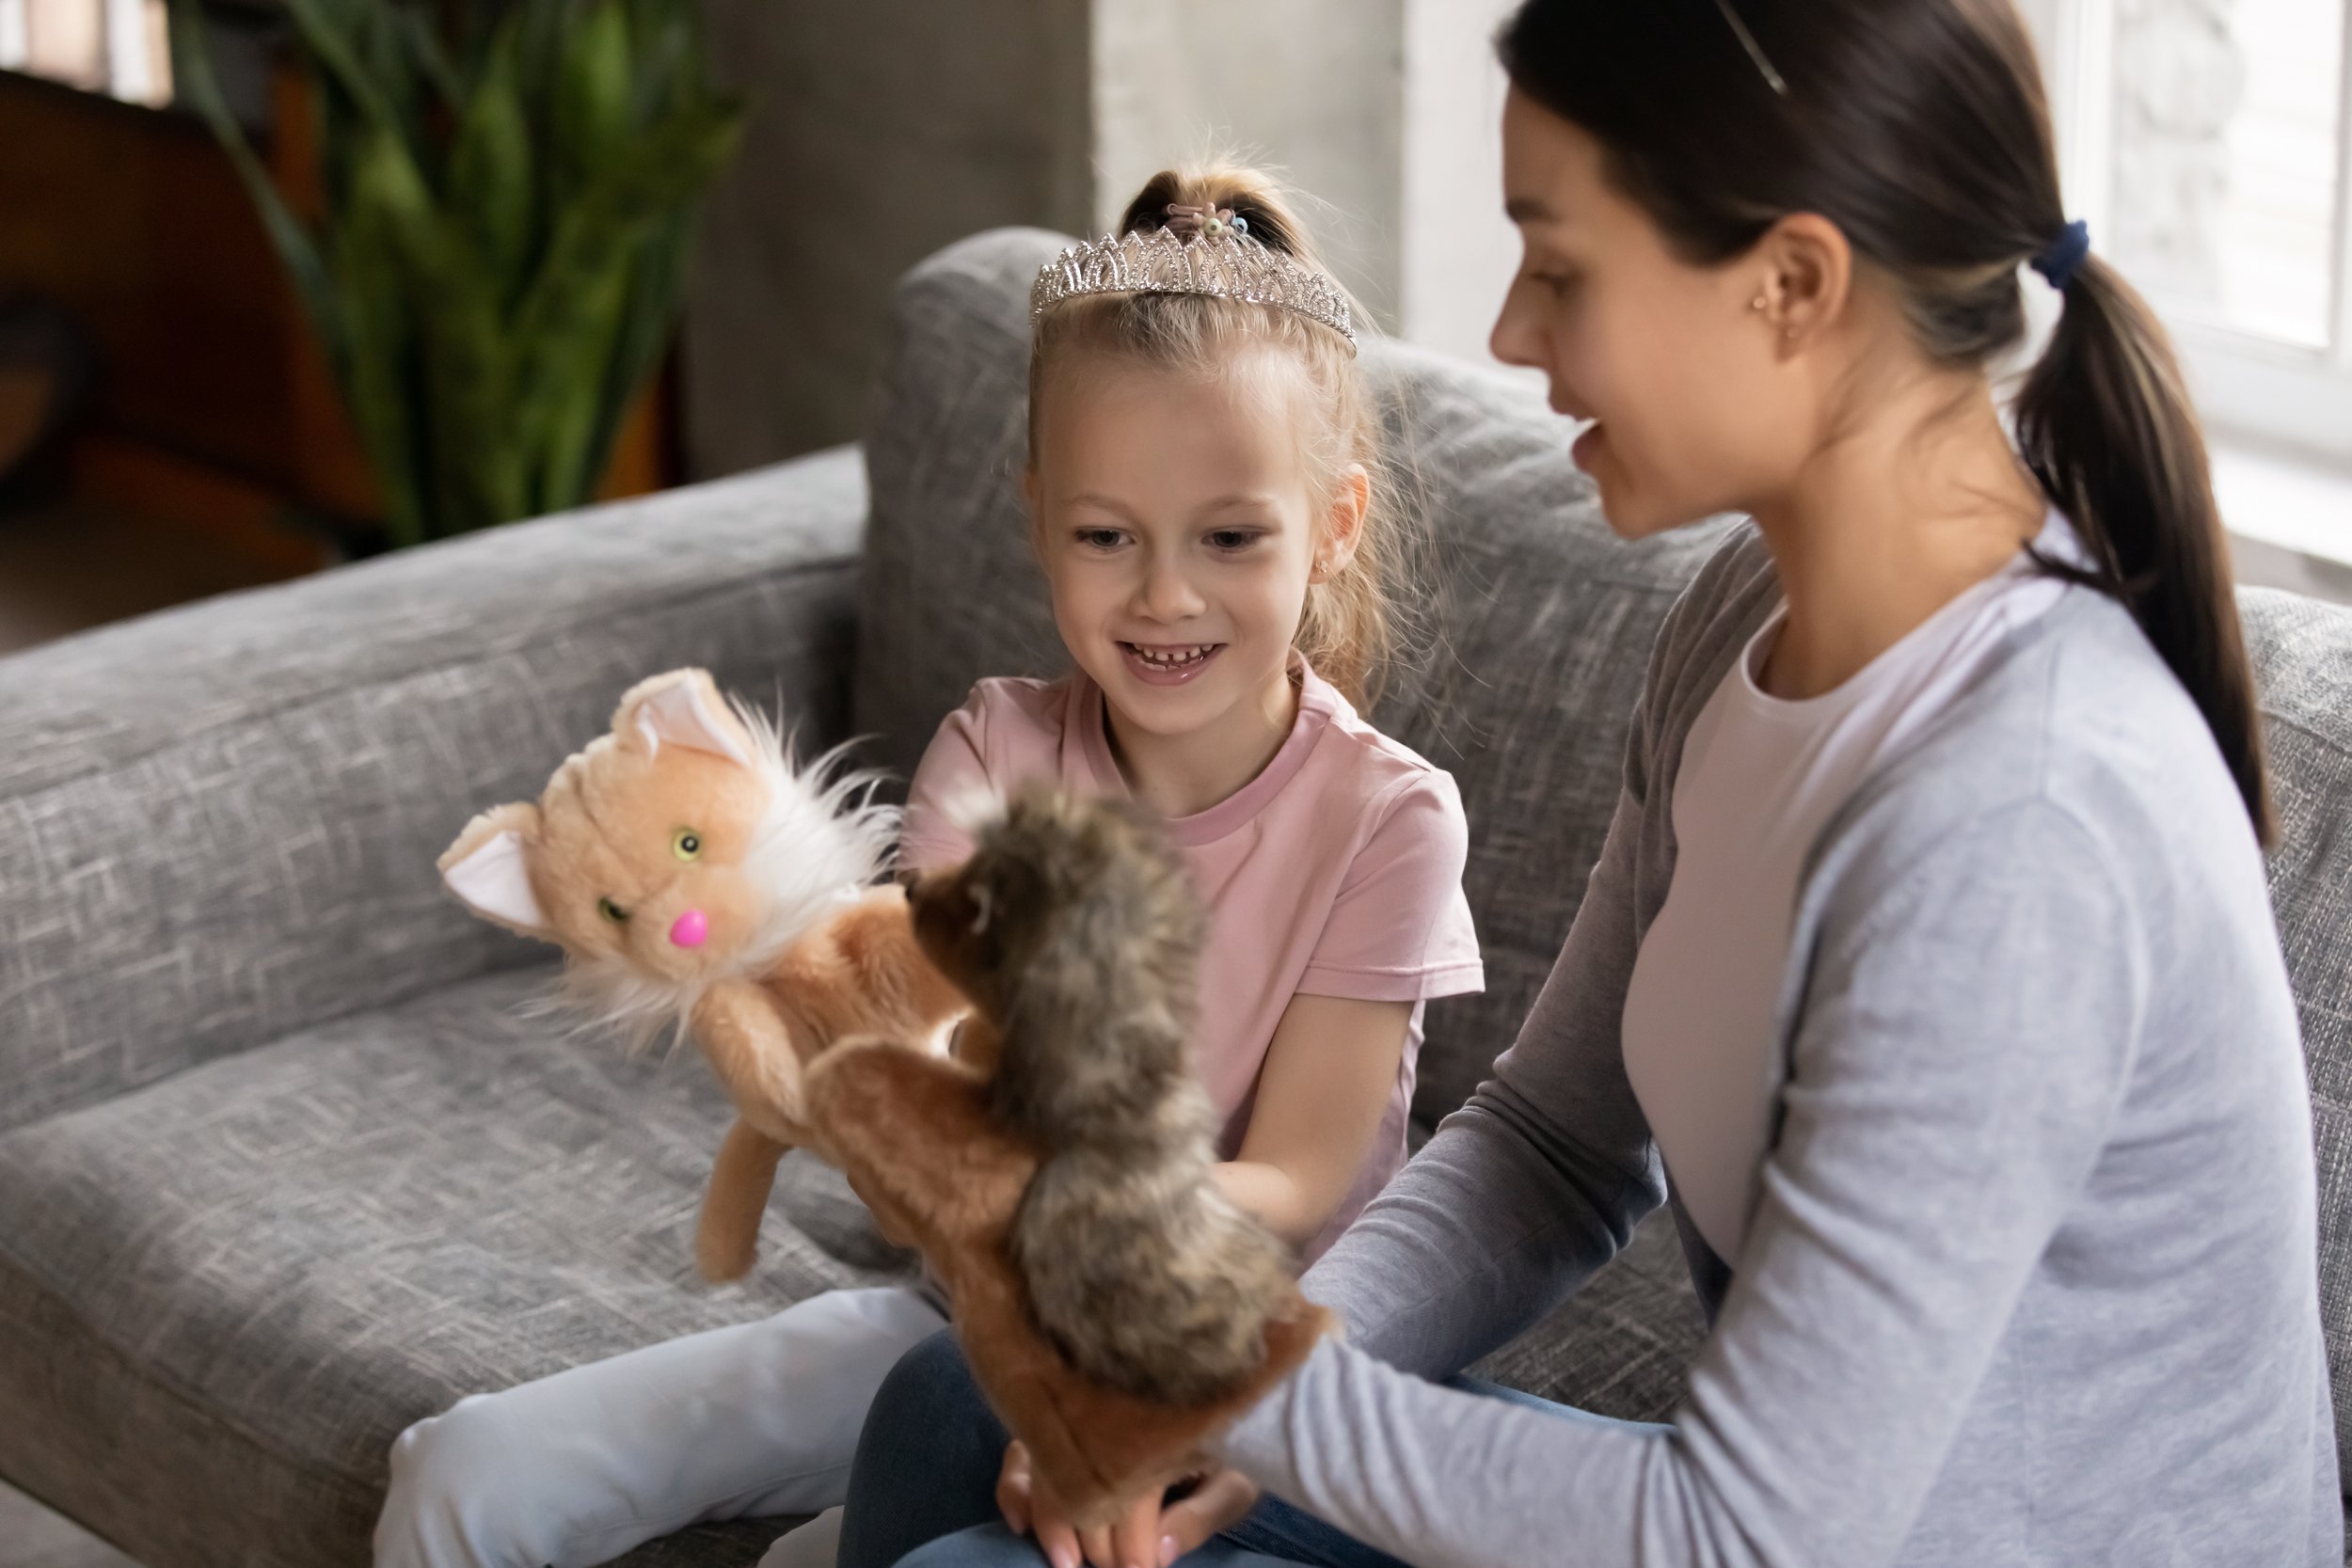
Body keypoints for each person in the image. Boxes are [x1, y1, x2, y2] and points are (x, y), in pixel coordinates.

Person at [834, 4, 2340, 1566]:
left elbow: (1742, 1534)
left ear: (1792, 284)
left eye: (1558, 264)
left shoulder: (2021, 820)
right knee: (958, 1406)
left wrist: (1244, 1394)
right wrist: (1240, 1383)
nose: (1506, 333)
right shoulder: (1747, 619)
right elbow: (1556, 1145)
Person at [370, 165, 1485, 1568]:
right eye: (1105, 537)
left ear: (1332, 527)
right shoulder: (996, 751)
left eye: (1230, 537)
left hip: (1232, 1360)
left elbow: (1304, 1178)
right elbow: (938, 1052)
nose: (1164, 594)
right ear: (1037, 521)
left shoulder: (1388, 818)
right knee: (462, 1470)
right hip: (965, 1312)